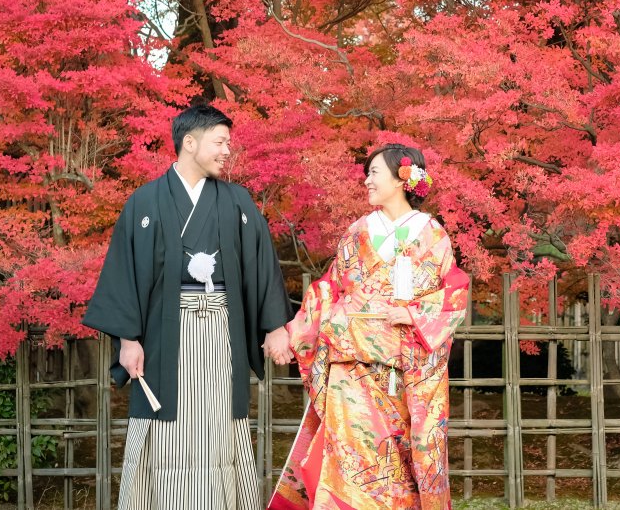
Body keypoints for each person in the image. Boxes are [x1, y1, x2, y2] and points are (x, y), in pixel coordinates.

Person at [83, 104, 294, 510]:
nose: (227, 151)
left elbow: (261, 265)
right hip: (164, 335)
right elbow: (124, 273)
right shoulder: (144, 203)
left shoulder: (237, 202)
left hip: (220, 331)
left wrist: (275, 327)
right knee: (166, 425)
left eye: (228, 143)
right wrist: (128, 339)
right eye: (220, 142)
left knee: (218, 427)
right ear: (190, 142)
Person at [269, 143, 470, 510]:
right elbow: (330, 286)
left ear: (401, 178)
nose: (366, 180)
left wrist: (413, 314)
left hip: (403, 368)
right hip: (349, 364)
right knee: (349, 457)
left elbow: (454, 292)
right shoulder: (359, 230)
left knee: (400, 464)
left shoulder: (431, 233)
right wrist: (292, 331)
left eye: (374, 172)